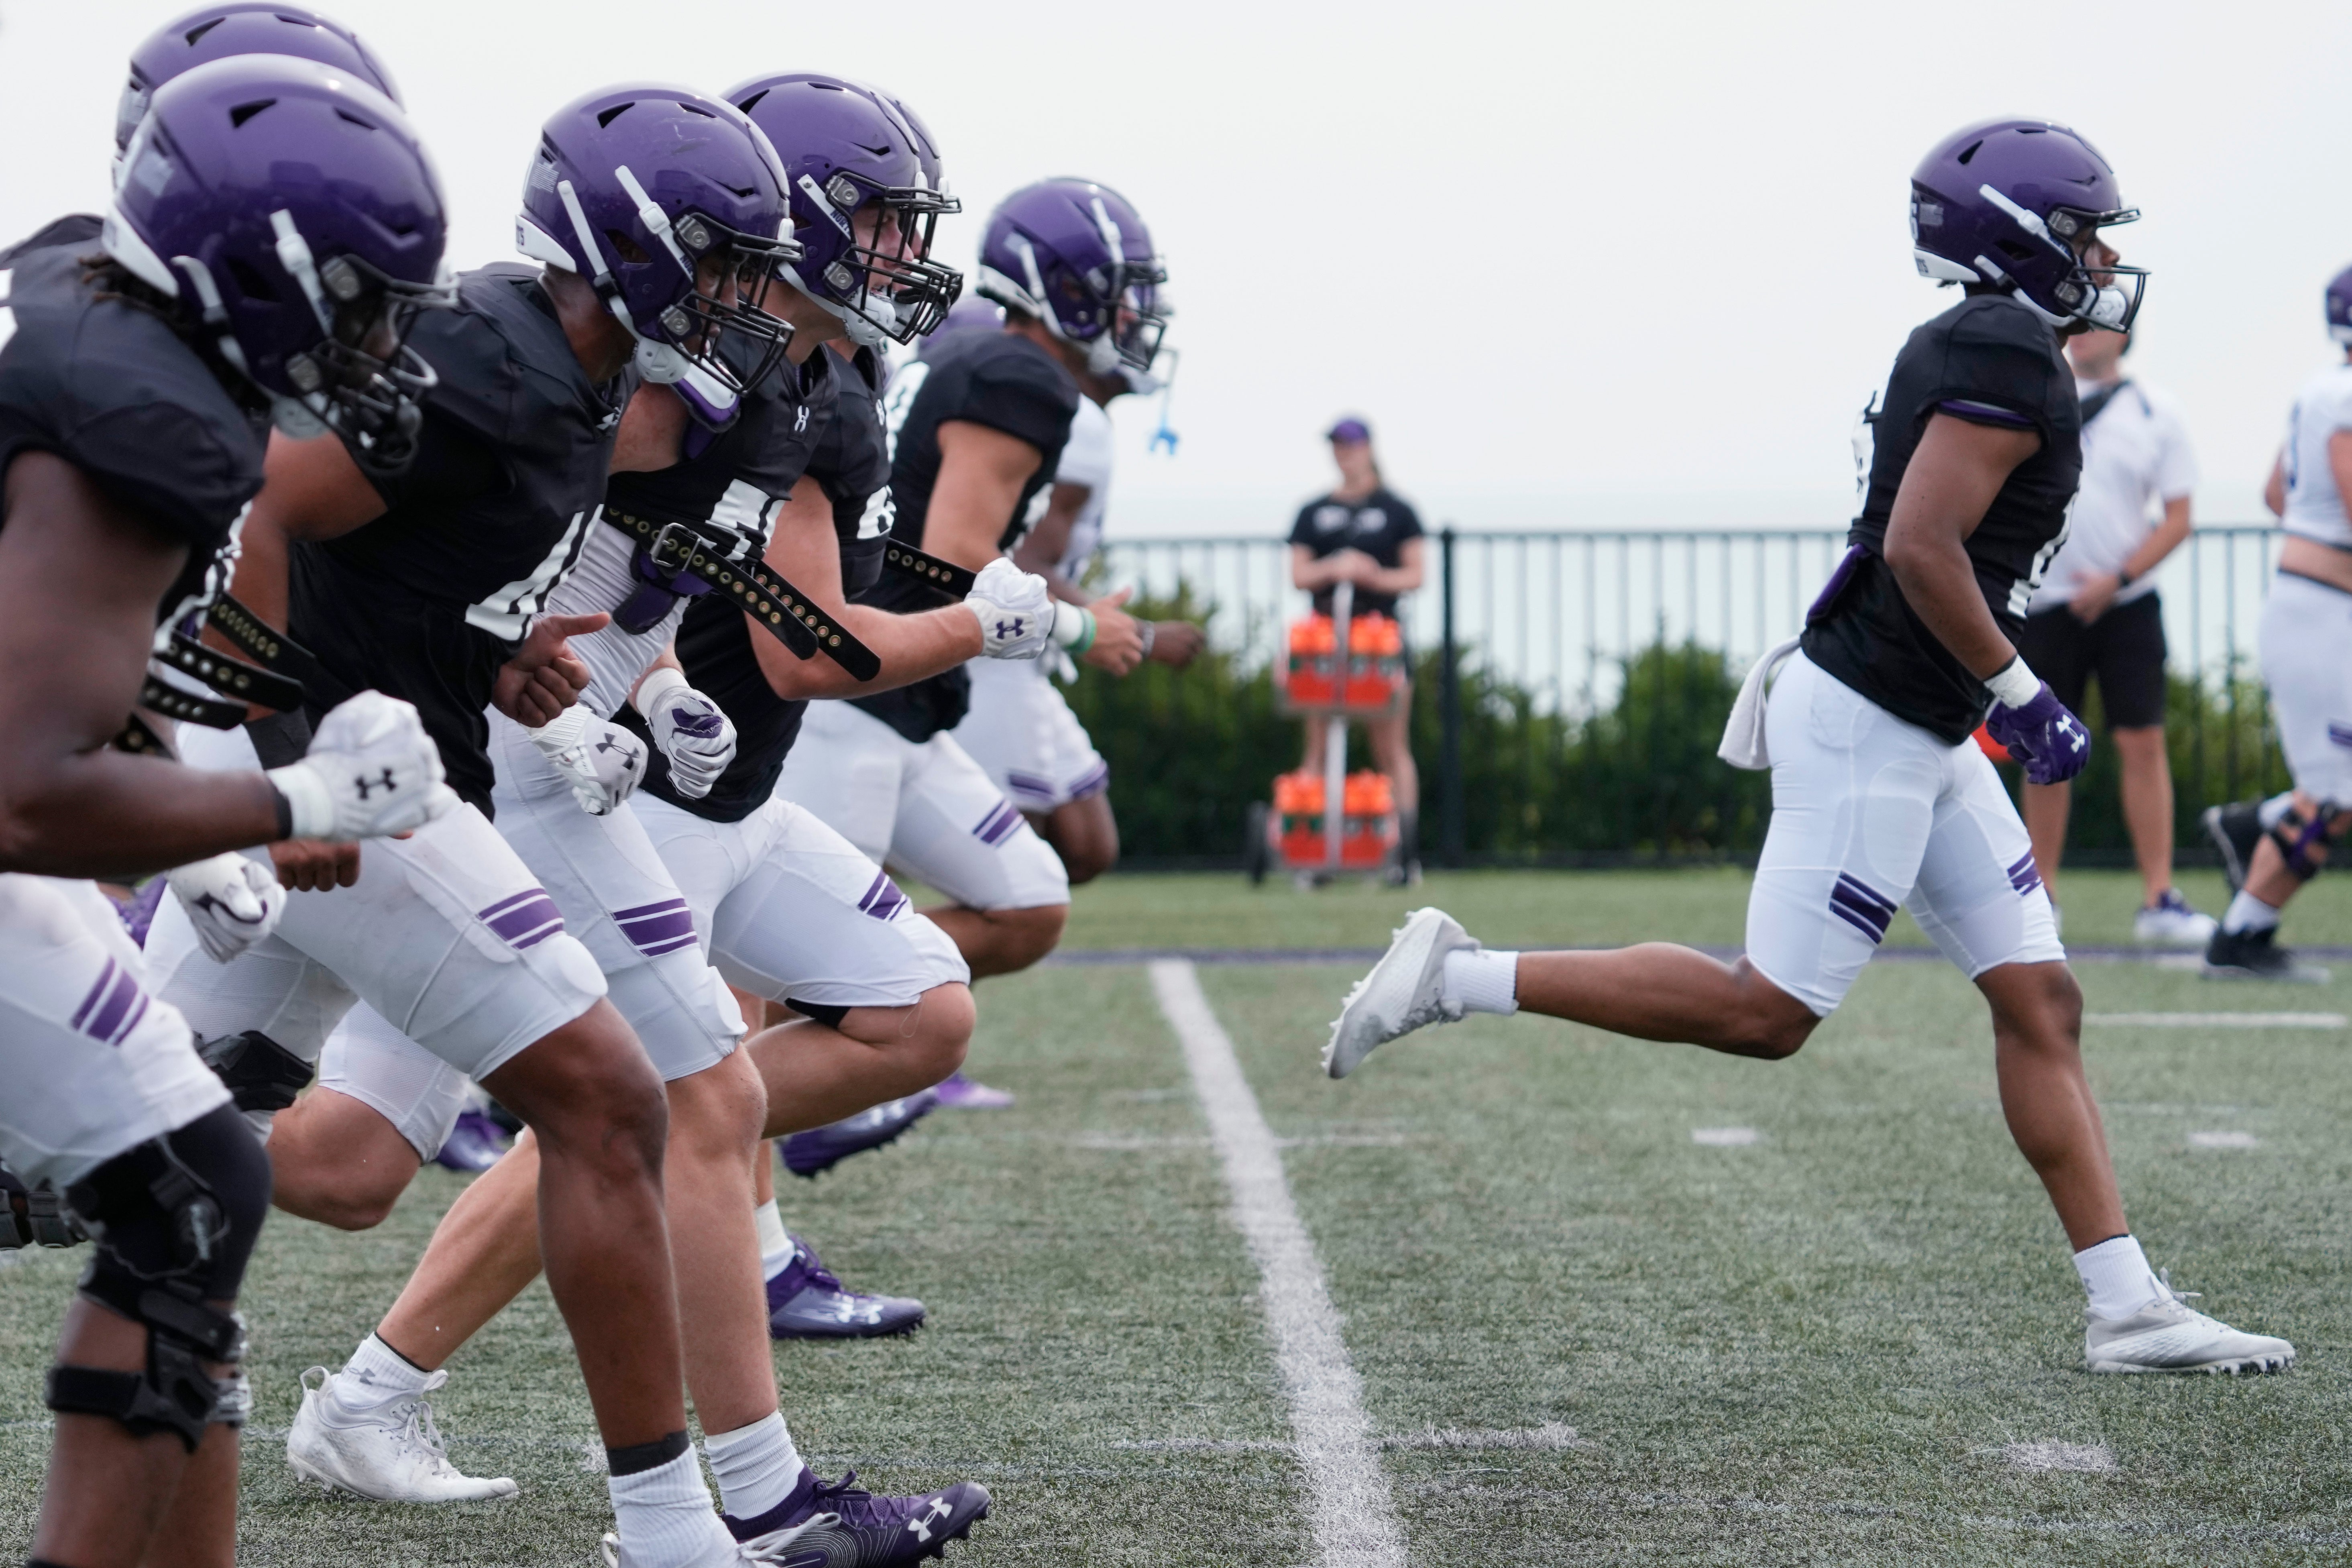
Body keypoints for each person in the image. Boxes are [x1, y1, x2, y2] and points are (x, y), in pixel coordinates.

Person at [1324, 118, 2295, 1377]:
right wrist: (2019, 690)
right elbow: (1921, 550)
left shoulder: (1992, 340)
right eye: (2081, 229)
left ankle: (2127, 1306)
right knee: (1766, 1013)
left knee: (2041, 996)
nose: (2101, 254)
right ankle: (1458, 977)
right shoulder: (2002, 342)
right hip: (1882, 720)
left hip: (1922, 720)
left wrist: (1987, 696)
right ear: (2015, 233)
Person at [141, 81, 827, 1568]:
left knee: (158, 1137)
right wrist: (279, 758)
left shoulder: (579, 380)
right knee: (608, 1098)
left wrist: (498, 663)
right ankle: (668, 1529)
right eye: (717, 263)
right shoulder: (493, 366)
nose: (739, 300)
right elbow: (257, 507)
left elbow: (410, 569)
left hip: (382, 757)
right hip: (343, 781)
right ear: (624, 243)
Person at [0, 53, 455, 1568]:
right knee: (190, 1185)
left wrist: (193, 793)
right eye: (366, 299)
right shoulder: (144, 413)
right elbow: (26, 788)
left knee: (199, 1180)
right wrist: (291, 795)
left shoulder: (81, 292)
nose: (386, 342)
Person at [774, 177, 1149, 1079]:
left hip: (908, 701)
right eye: (1120, 290)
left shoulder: (985, 359)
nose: (1136, 314)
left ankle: (805, 1027)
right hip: (858, 694)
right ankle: (746, 1152)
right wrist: (1079, 630)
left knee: (1027, 902)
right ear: (1064, 286)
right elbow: (954, 557)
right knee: (768, 972)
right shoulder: (1021, 377)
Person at [953, 294, 1207, 888]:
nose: (1136, 330)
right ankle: (897, 975)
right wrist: (1134, 634)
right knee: (1017, 876)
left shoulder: (1070, 414)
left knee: (1084, 846)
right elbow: (1027, 562)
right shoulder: (1074, 420)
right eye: (1119, 312)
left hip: (1014, 646)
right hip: (995, 652)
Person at [2012, 327, 2208, 943]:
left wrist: (2117, 577)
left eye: (2094, 322)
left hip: (2125, 606)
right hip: (2045, 605)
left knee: (2141, 743)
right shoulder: (2037, 396)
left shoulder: (2157, 411)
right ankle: (2039, 895)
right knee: (2044, 748)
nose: (2080, 333)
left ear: (2121, 335)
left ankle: (2158, 898)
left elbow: (2178, 519)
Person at [2195, 263, 2352, 983]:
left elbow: (2272, 492)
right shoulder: (2343, 394)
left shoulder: (2321, 389)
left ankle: (2246, 827)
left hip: (2312, 607)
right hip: (2321, 616)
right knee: (2332, 797)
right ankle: (2238, 940)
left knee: (2336, 790)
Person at [1288, 416, 1424, 877]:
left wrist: (1370, 573)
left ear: (1368, 447)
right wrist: (1335, 567)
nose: (1343, 454)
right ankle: (1311, 852)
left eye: (1351, 445)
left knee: (1390, 749)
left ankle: (1403, 854)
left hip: (1379, 646)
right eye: (1337, 446)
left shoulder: (1397, 510)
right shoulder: (1314, 512)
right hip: (1324, 648)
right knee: (1319, 748)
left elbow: (1415, 575)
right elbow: (1300, 573)